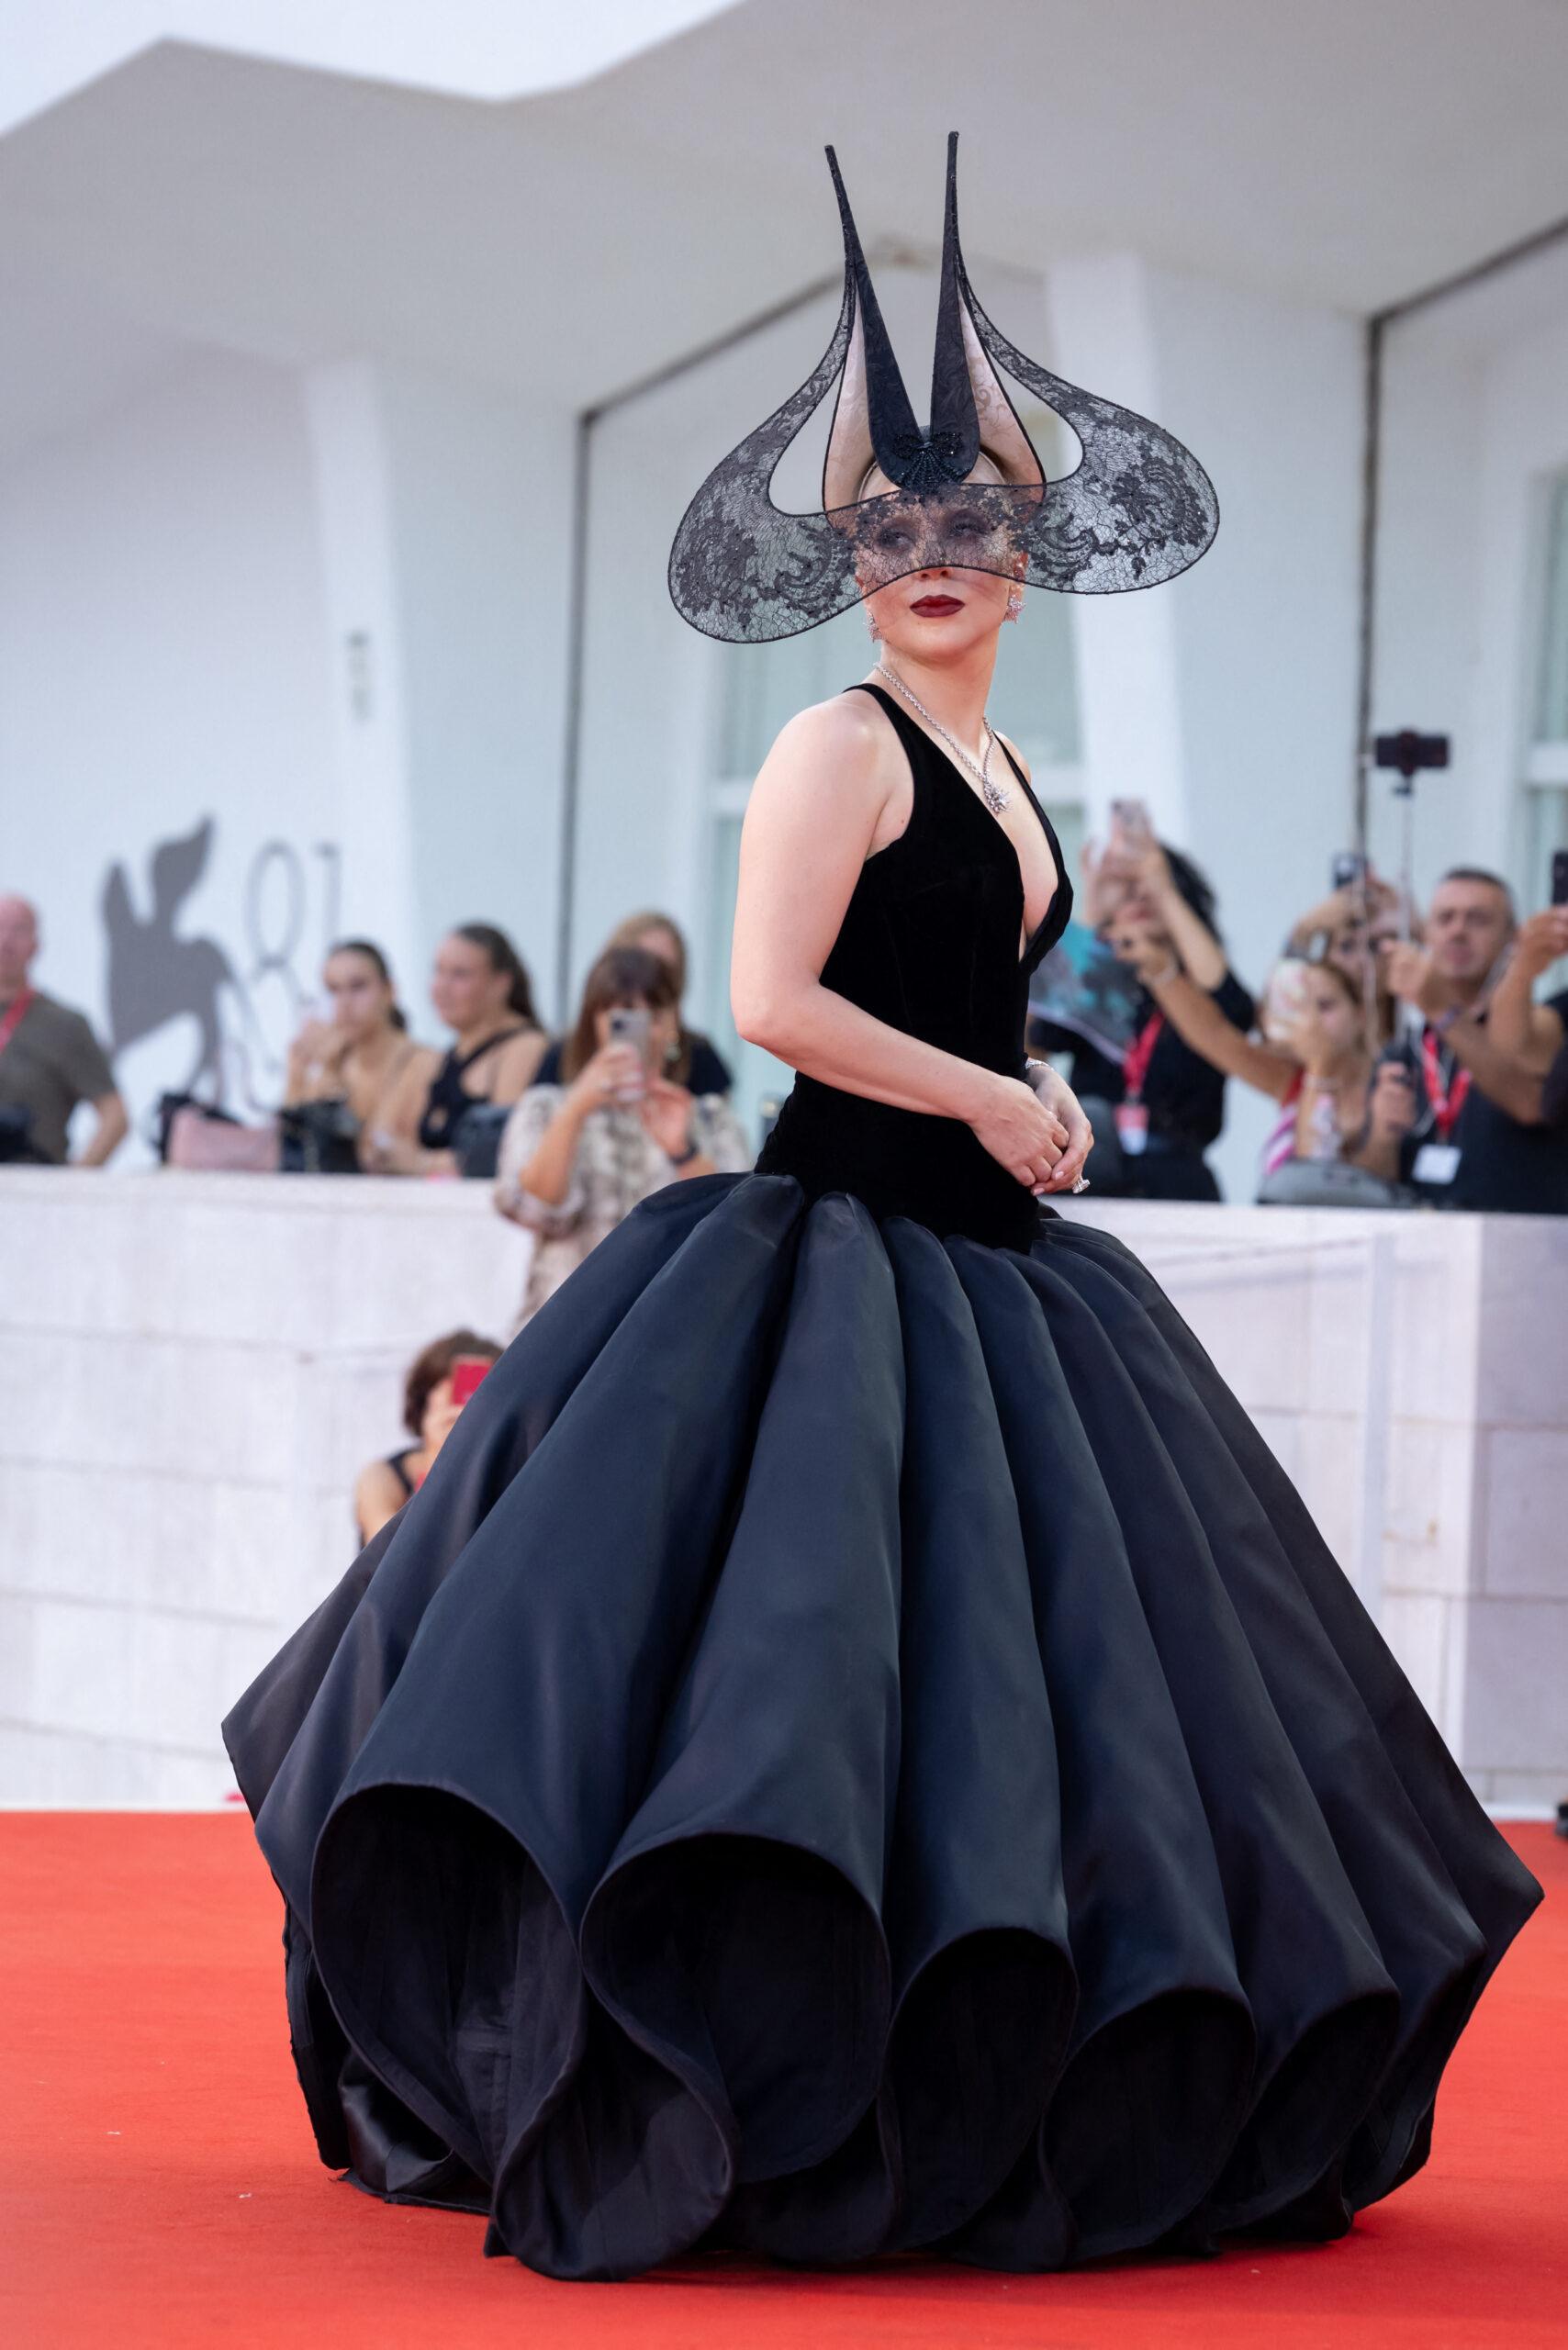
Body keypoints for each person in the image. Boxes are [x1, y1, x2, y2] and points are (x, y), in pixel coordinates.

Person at [226, 137, 1537, 2286]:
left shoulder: (1025, 781)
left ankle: (990, 2073)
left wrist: (1022, 1121)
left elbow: (967, 1008)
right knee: (794, 1693)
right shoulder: (840, 743)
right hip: (820, 1256)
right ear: (852, 561)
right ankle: (730, 2069)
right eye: (893, 527)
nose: (934, 555)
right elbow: (766, 1006)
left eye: (973, 524)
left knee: (1044, 1715)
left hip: (1007, 1285)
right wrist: (990, 1092)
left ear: (1033, 555)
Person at [496, 944, 751, 1325]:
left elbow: (733, 1230)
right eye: (622, 1014)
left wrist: (684, 1151)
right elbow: (534, 1208)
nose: (642, 1028)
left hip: (671, 1325)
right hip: (565, 1324)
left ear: (674, 1024)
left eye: (654, 1013)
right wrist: (576, 1110)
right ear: (594, 1022)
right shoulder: (547, 1107)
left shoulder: (710, 1117)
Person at [1053, 838, 1254, 1200]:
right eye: (1127, 891)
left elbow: (1235, 1009)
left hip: (1179, 1176)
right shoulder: (1101, 982)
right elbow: (1049, 1021)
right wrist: (1094, 905)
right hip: (1094, 1166)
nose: (1140, 899)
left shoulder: (1202, 985)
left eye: (1153, 889)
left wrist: (1165, 893)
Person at [1137, 954, 1416, 1197]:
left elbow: (1322, 1182)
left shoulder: (1392, 1083)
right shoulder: (1292, 1080)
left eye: (1326, 1005)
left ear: (1361, 1015)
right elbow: (1214, 1037)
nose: (1313, 1021)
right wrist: (1159, 971)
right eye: (1303, 1008)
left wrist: (1321, 1066)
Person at [1374, 869, 1568, 1213]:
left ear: (1513, 938)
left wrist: (1442, 1011)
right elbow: (1370, 1177)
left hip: (1519, 1251)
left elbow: (1529, 1099)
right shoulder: (1405, 1049)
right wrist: (1380, 1135)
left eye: (1477, 920)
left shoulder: (1542, 1023)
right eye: (1445, 919)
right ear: (1426, 935)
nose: (1458, 931)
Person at [367, 923, 548, 1177]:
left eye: (460, 974)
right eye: (438, 971)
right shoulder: (436, 1059)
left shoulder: (524, 1048)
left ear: (501, 983)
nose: (442, 987)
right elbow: (383, 1140)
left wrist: (421, 1162)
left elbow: (500, 1150)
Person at [532, 911, 734, 1097]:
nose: (651, 975)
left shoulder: (699, 1056)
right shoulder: (563, 1054)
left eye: (666, 969)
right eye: (639, 962)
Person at [0, 894, 127, 1166]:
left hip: (31, 1181)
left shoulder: (63, 1025)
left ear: (35, 946)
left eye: (18, 930)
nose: (5, 941)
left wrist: (74, 1183)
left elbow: (114, 1116)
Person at [282, 939, 428, 1172]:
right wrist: (297, 1078)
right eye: (333, 990)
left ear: (389, 990)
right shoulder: (331, 1068)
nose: (344, 1003)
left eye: (358, 987)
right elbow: (296, 1153)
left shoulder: (424, 1064)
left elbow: (371, 1156)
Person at [353, 1329, 503, 1547]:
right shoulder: (381, 1476)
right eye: (452, 1389)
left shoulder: (500, 1475)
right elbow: (388, 1549)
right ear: (425, 1397)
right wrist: (440, 1456)